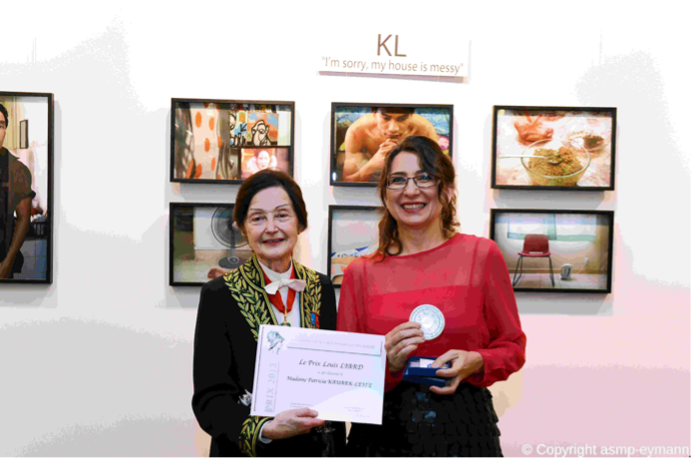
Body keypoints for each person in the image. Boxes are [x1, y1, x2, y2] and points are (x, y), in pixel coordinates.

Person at [337, 136, 526, 458]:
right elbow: (345, 373)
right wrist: (386, 363)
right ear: (385, 194)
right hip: (380, 437)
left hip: (465, 432)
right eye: (398, 180)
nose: (411, 191)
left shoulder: (481, 255)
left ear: (447, 189)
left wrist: (477, 361)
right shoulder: (360, 272)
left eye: (424, 177)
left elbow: (512, 348)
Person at [192, 170, 346, 458]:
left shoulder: (321, 287)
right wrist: (265, 429)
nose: (271, 228)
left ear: (300, 223)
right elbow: (209, 399)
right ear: (242, 228)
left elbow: (329, 378)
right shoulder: (219, 294)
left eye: (282, 215)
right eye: (258, 218)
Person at [342, 107, 439, 182]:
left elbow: (438, 177)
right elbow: (347, 181)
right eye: (385, 118)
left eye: (402, 118)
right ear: (374, 113)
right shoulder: (358, 130)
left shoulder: (424, 130)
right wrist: (372, 165)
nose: (393, 128)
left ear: (411, 115)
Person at [0, 103, 35, 279]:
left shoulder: (16, 169)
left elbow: (23, 218)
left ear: (5, 131)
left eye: (0, 126)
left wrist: (6, 263)